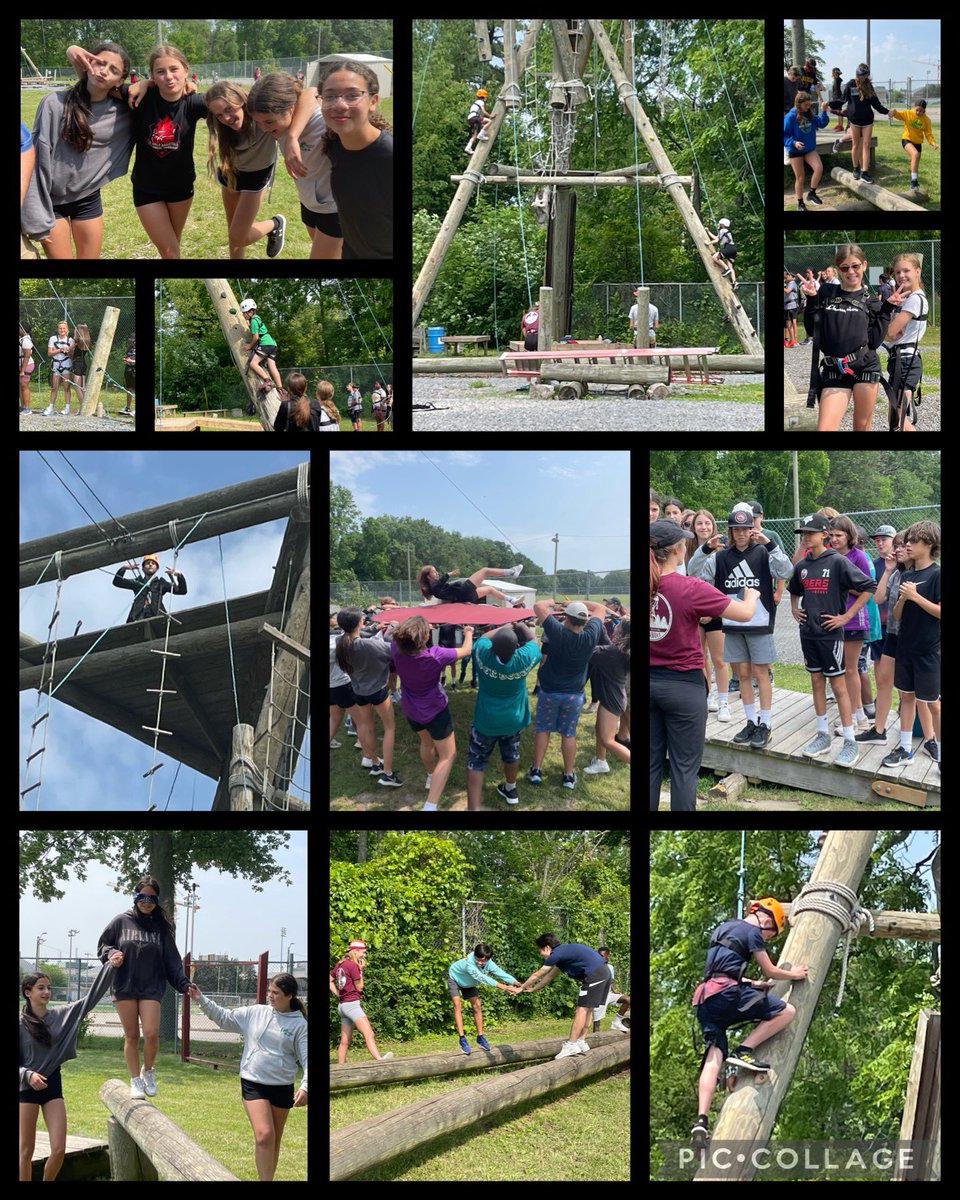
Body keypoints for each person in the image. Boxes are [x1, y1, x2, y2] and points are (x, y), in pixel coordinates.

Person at [650, 519, 759, 812]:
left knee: (649, 768)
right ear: (677, 549)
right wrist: (752, 594)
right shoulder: (690, 587)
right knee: (684, 769)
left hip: (648, 684)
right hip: (683, 686)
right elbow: (745, 613)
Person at [690, 898, 808, 1152]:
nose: (765, 939)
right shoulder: (754, 931)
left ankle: (701, 1121)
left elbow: (722, 968)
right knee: (787, 1011)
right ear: (767, 921)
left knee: (714, 1055)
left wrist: (754, 984)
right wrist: (794, 974)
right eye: (770, 935)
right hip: (725, 995)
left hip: (704, 999)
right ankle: (743, 1051)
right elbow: (772, 969)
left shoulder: (723, 927)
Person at [688, 507, 794, 751]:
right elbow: (694, 571)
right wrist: (706, 548)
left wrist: (770, 545)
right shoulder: (721, 556)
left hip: (759, 623)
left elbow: (787, 571)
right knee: (742, 674)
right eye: (736, 529)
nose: (741, 534)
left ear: (752, 529)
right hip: (733, 623)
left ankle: (765, 723)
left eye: (745, 529)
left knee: (761, 673)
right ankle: (750, 721)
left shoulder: (762, 552)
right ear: (731, 531)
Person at [190, 973, 307, 1181]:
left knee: (274, 1141)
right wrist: (200, 999)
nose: (270, 996)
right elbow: (224, 1018)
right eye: (269, 991)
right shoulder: (256, 1012)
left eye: (276, 993)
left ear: (289, 996)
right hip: (253, 1082)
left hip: (282, 1087)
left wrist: (306, 1087)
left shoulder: (300, 1024)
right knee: (264, 1136)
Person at [787, 514, 876, 768]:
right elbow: (795, 589)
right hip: (808, 633)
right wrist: (794, 608)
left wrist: (846, 616)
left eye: (810, 532)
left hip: (830, 634)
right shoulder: (803, 564)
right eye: (803, 532)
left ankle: (850, 741)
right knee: (816, 681)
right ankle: (822, 734)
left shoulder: (837, 561)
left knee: (838, 686)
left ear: (824, 534)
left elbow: (868, 587)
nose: (806, 536)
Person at [20, 960, 117, 1180]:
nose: (47, 992)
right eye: (41, 988)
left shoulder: (61, 1015)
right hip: (26, 1088)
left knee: (59, 1150)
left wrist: (110, 967)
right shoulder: (20, 1024)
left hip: (52, 1085)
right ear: (28, 992)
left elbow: (90, 999)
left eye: (49, 987)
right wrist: (28, 1075)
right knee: (25, 1152)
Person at [96, 876, 191, 1098]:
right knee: (130, 1035)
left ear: (157, 900)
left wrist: (183, 983)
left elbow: (172, 960)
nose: (146, 901)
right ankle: (135, 1080)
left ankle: (148, 1071)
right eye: (142, 896)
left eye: (151, 898)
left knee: (150, 1033)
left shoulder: (162, 928)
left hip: (151, 987)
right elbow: (103, 945)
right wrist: (111, 954)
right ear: (135, 897)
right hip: (124, 985)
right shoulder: (121, 920)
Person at [800, 243, 907, 431]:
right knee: (824, 428)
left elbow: (874, 342)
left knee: (861, 427)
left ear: (864, 265)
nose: (851, 272)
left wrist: (887, 309)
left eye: (855, 266)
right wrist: (811, 299)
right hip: (835, 370)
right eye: (845, 268)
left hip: (865, 368)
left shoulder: (872, 302)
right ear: (838, 270)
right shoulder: (826, 293)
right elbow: (811, 331)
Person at [880, 520, 940, 773]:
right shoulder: (906, 574)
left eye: (912, 542)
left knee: (933, 703)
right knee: (906, 698)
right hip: (905, 647)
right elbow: (897, 614)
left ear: (928, 544)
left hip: (928, 651)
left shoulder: (937, 574)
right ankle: (905, 749)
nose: (907, 546)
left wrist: (916, 596)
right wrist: (904, 598)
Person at [465, 620, 542, 809]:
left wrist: (506, 626)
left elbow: (483, 637)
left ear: (493, 647)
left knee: (476, 761)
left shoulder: (483, 653)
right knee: (511, 754)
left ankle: (473, 808)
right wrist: (520, 626)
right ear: (517, 647)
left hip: (486, 719)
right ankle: (510, 788)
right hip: (512, 719)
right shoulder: (523, 659)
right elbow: (534, 640)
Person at [516, 934, 612, 1060]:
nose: (540, 954)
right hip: (604, 973)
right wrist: (533, 989)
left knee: (581, 1009)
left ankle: (571, 1044)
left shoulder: (556, 954)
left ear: (546, 947)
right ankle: (580, 1041)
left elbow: (538, 974)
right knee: (588, 1009)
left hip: (595, 975)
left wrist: (521, 987)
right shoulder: (563, 954)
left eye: (539, 950)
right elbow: (548, 977)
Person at [447, 944, 523, 1054]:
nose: (480, 963)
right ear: (475, 956)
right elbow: (482, 978)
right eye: (478, 960)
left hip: (468, 982)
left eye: (483, 961)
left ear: (488, 959)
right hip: (455, 977)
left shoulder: (488, 962)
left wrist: (516, 982)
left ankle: (480, 1037)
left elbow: (499, 972)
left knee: (477, 1006)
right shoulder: (469, 963)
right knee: (457, 1005)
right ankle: (462, 1039)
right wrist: (505, 987)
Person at [329, 939, 394, 1063]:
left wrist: (338, 994)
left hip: (342, 1006)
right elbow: (360, 987)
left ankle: (340, 1067)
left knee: (344, 1041)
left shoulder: (340, 964)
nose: (364, 955)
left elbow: (329, 980)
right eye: (363, 952)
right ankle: (380, 1060)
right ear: (356, 951)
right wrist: (361, 970)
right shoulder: (353, 966)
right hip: (352, 1005)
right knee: (369, 1034)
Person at [783, 91, 830, 211]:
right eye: (806, 105)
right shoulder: (790, 117)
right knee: (800, 178)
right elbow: (785, 136)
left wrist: (824, 111)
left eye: (809, 105)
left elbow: (822, 123)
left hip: (808, 149)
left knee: (818, 168)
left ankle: (812, 193)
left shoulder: (810, 114)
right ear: (799, 104)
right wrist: (794, 143)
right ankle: (800, 204)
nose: (808, 107)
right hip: (795, 150)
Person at [113, 553, 187, 623]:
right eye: (148, 563)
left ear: (157, 568)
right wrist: (123, 569)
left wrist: (180, 576)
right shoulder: (137, 582)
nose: (150, 565)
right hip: (137, 617)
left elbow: (182, 591)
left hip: (157, 616)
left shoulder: (161, 583)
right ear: (143, 568)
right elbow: (117, 582)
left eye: (153, 563)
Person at [886, 99, 938, 192]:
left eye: (921, 111)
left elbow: (928, 134)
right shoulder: (908, 113)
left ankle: (914, 182)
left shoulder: (926, 120)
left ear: (924, 111)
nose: (918, 112)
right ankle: (914, 182)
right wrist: (893, 112)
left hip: (918, 143)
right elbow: (898, 114)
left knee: (916, 161)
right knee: (915, 154)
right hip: (907, 139)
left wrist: (932, 142)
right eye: (917, 110)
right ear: (914, 107)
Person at [418, 562, 522, 605]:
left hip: (465, 597)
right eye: (434, 572)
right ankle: (512, 571)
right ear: (428, 576)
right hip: (464, 590)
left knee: (490, 589)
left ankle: (512, 600)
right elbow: (438, 584)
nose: (437, 573)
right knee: (485, 570)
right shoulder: (433, 586)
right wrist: (448, 574)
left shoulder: (433, 588)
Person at [591, 946, 631, 1034]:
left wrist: (613, 990)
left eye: (602, 956)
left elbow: (609, 981)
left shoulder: (610, 967)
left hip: (609, 994)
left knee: (628, 999)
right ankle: (596, 1040)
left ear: (607, 956)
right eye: (598, 956)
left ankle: (616, 1022)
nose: (600, 958)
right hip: (599, 996)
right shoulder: (593, 967)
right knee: (597, 1022)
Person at [705, 218, 738, 289]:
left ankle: (726, 269)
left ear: (722, 225)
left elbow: (716, 240)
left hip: (728, 248)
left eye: (719, 223)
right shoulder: (725, 231)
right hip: (733, 249)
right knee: (731, 267)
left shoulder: (722, 230)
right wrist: (708, 232)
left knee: (714, 257)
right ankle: (734, 282)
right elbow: (716, 237)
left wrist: (708, 243)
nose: (718, 224)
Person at [465, 88, 493, 153]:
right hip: (474, 117)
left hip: (470, 118)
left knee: (474, 135)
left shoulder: (475, 102)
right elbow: (484, 111)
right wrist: (490, 116)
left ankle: (468, 147)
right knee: (489, 121)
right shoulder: (481, 102)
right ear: (484, 97)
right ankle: (481, 135)